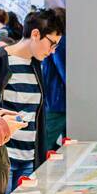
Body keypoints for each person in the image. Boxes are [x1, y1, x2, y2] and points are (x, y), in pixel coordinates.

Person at [0, 8, 65, 192]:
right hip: (3, 161)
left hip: (29, 161)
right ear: (35, 34)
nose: (53, 51)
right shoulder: (0, 59)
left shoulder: (35, 65)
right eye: (52, 44)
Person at [41, 25, 67, 158]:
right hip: (58, 101)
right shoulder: (60, 41)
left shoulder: (59, 42)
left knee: (43, 145)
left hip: (57, 101)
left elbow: (63, 70)